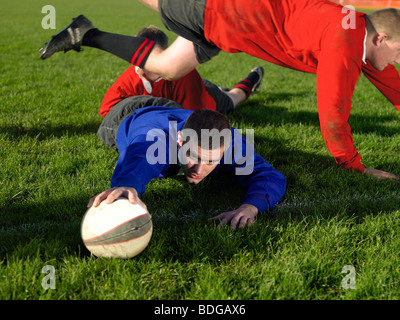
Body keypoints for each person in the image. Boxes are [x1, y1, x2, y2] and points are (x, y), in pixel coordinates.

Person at [39, 0, 400, 181]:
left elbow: (392, 83)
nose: (396, 60)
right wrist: (354, 166)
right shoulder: (346, 39)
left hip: (228, 25)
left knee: (168, 67)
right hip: (220, 9)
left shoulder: (359, 36)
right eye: (398, 52)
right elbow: (333, 111)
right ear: (381, 38)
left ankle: (85, 34)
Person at [87, 105, 287, 229]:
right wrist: (127, 184)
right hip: (126, 114)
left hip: (174, 109)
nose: (198, 170)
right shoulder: (158, 139)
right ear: (180, 139)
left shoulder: (232, 143)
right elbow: (139, 155)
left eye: (210, 161)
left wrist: (250, 207)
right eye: (193, 156)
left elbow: (269, 176)